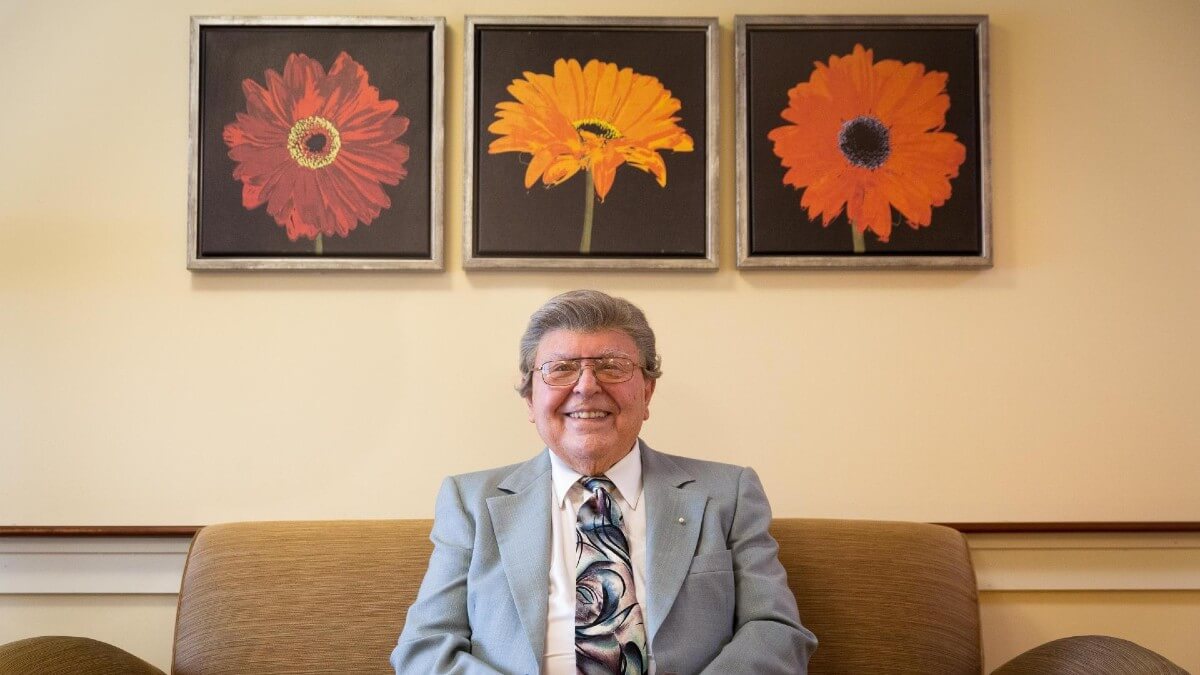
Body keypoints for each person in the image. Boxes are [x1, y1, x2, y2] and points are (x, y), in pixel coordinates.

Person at [392, 289, 816, 674]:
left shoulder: (728, 494)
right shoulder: (470, 502)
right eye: (560, 369)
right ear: (530, 399)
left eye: (612, 367)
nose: (586, 386)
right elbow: (425, 647)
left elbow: (775, 631)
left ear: (647, 392)